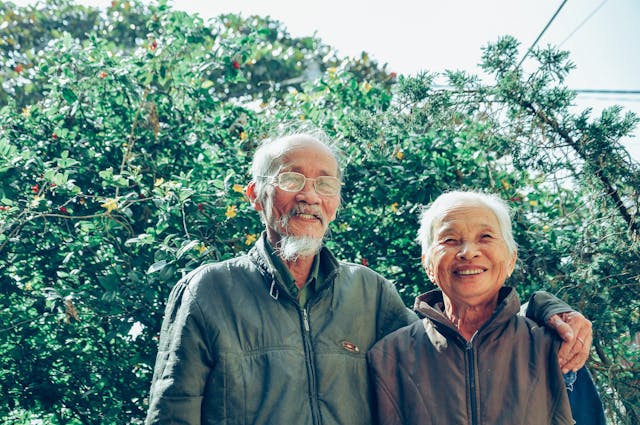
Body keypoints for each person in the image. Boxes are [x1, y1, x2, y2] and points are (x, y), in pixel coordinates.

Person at [145, 129, 593, 425]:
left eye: (325, 183)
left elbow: (454, 347)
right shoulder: (209, 291)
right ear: (255, 196)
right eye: (291, 178)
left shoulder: (369, 292)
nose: (308, 195)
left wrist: (545, 309)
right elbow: (171, 414)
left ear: (336, 201)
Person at [366, 190, 605, 425]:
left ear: (511, 259)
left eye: (486, 237)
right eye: (450, 240)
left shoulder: (555, 346)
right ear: (428, 264)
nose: (468, 252)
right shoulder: (390, 356)